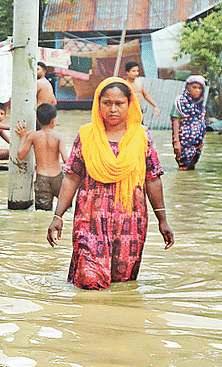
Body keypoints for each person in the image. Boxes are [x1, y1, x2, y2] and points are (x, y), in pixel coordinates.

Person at [47, 77, 174, 290]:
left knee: (120, 285)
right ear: (98, 104)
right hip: (90, 221)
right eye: (106, 103)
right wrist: (57, 216)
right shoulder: (86, 135)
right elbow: (71, 176)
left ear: (129, 104)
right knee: (89, 280)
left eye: (119, 103)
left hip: (129, 223)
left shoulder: (141, 137)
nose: (113, 109)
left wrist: (163, 220)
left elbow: (152, 178)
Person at [15, 102, 69, 211]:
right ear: (54, 120)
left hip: (42, 179)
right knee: (66, 208)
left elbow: (20, 155)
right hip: (58, 177)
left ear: (38, 120)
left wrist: (23, 138)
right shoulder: (59, 136)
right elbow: (66, 159)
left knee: (42, 211)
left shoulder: (33, 136)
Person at [171, 75, 207, 171]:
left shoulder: (200, 105)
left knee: (192, 167)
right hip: (184, 141)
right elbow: (176, 121)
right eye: (194, 87)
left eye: (199, 88)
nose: (197, 90)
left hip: (197, 143)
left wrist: (201, 141)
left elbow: (201, 123)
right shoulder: (180, 102)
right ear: (187, 87)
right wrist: (176, 141)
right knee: (183, 167)